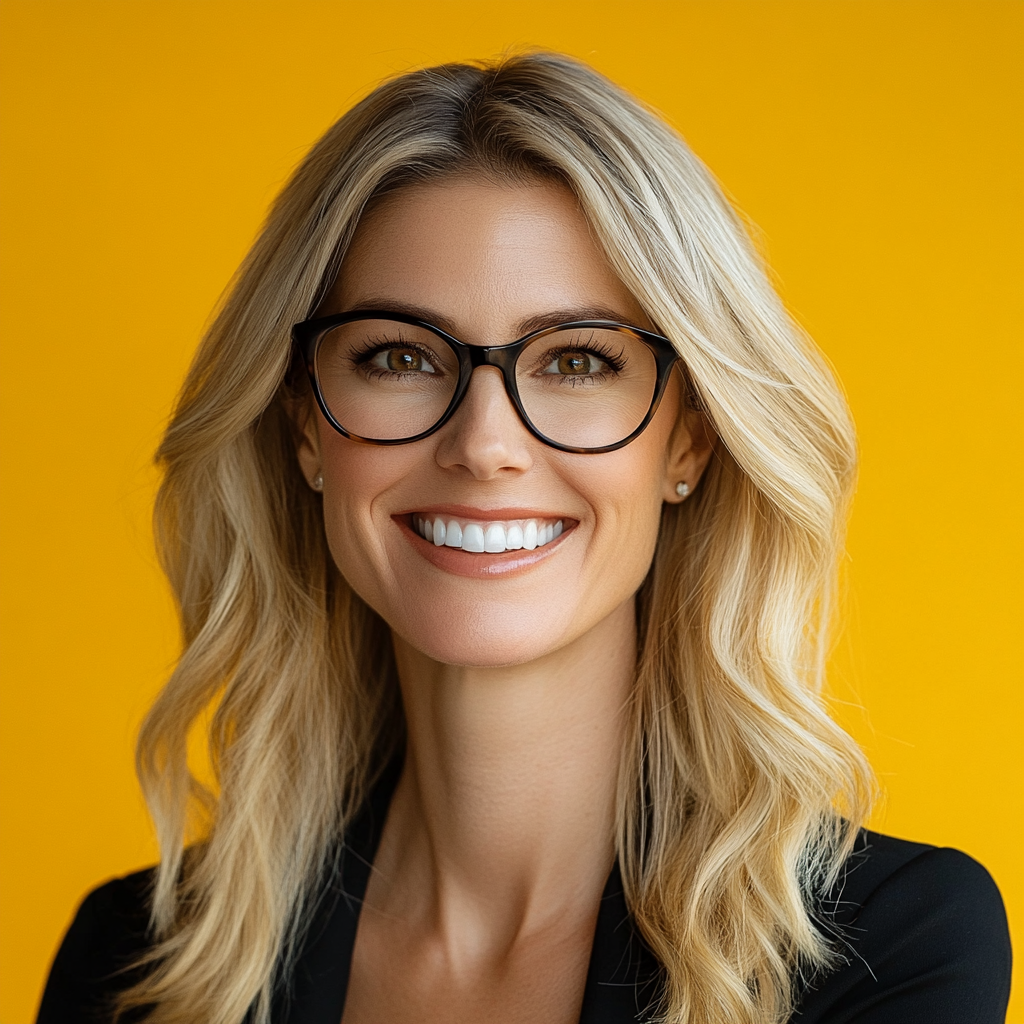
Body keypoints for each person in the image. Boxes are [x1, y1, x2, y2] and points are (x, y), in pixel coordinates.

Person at [37, 53, 1010, 1024]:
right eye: (401, 356)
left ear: (689, 436)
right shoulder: (132, 963)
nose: (485, 444)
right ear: (305, 426)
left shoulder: (886, 950)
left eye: (577, 361)